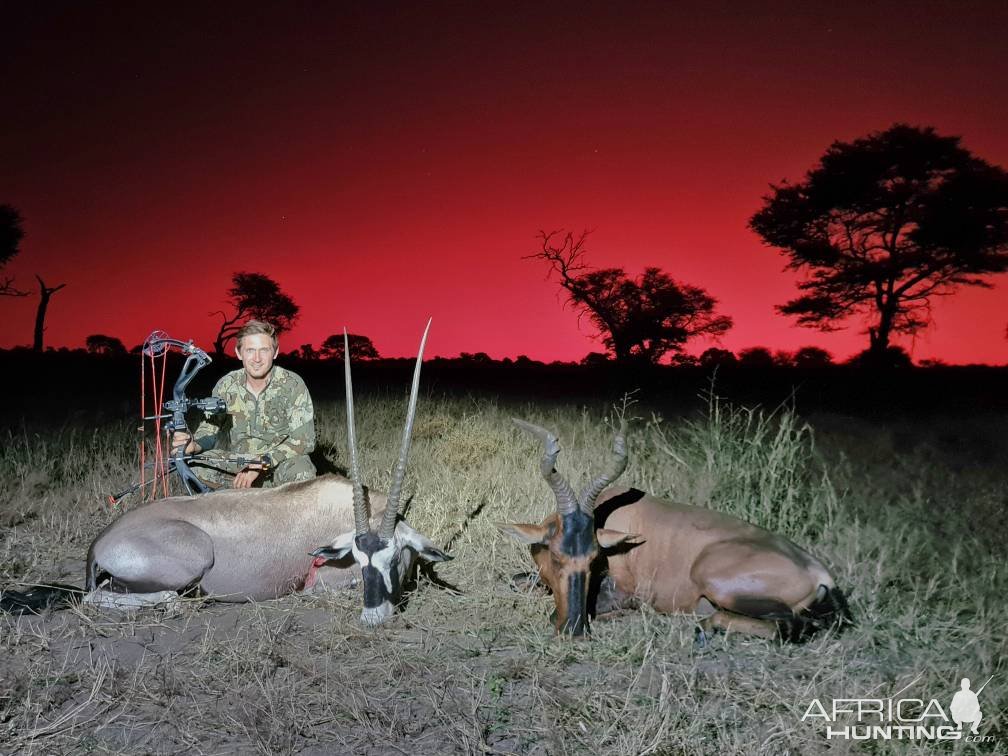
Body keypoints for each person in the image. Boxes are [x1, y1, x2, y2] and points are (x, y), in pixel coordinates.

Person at [172, 320, 316, 488]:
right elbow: (210, 430)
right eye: (250, 350)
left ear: (275, 352)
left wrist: (263, 462)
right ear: (239, 353)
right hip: (239, 465)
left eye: (264, 350)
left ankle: (280, 508)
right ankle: (234, 506)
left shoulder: (292, 384)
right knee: (192, 465)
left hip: (278, 464)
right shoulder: (226, 385)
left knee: (302, 471)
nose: (257, 359)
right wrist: (194, 445)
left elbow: (305, 441)